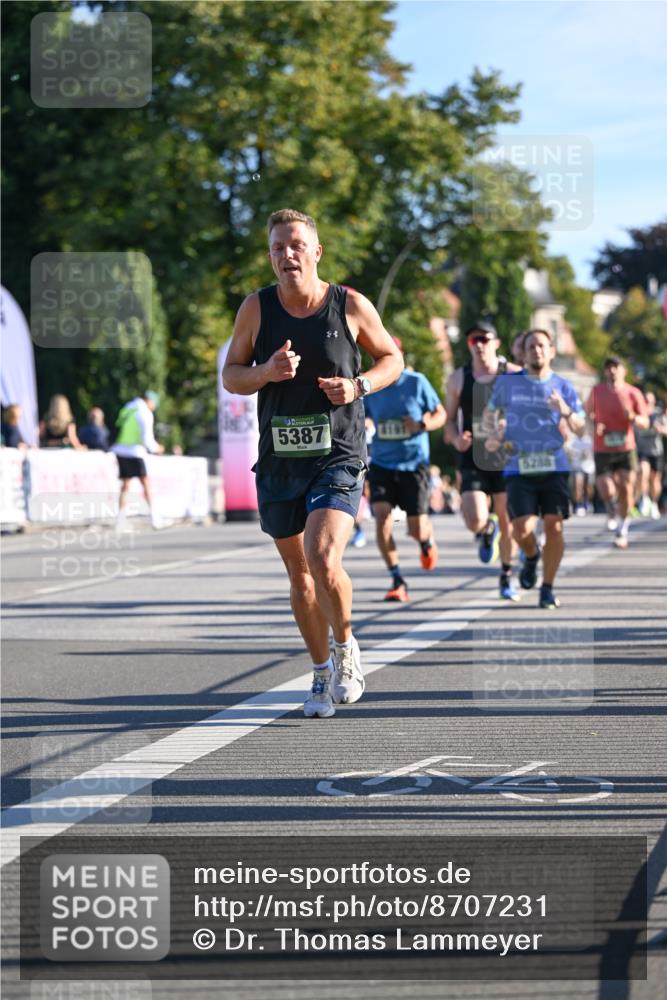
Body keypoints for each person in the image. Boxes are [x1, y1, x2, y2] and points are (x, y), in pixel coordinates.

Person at [222, 208, 403, 719]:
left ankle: (346, 650)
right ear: (270, 255)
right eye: (278, 247)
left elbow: (393, 359)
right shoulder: (256, 309)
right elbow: (231, 376)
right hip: (280, 459)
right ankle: (320, 672)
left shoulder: (349, 304)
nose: (287, 255)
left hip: (338, 453)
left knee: (323, 557)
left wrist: (358, 385)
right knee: (300, 576)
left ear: (316, 251)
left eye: (297, 245)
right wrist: (266, 372)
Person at [483, 328, 586, 610]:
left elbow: (581, 427)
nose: (536, 351)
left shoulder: (563, 386)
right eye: (531, 347)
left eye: (542, 346)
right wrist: (495, 432)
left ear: (551, 351)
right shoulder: (508, 384)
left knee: (554, 526)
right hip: (518, 466)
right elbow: (490, 415)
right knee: (521, 529)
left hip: (554, 465)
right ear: (523, 352)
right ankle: (530, 557)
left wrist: (564, 409)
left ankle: (548, 588)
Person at [363, 337, 446, 602]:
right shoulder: (371, 385)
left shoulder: (417, 382)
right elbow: (362, 414)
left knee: (415, 527)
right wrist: (364, 423)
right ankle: (397, 579)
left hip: (414, 464)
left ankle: (425, 541)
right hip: (383, 464)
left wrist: (421, 424)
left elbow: (440, 414)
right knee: (382, 517)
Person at [444, 321, 522, 601]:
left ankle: (506, 575)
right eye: (473, 340)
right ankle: (486, 530)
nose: (478, 344)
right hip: (473, 456)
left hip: (506, 457)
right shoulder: (458, 379)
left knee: (508, 518)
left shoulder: (513, 375)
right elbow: (449, 422)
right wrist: (456, 440)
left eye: (484, 339)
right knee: (475, 517)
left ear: (496, 343)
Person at [584, 358, 649, 549]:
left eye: (616, 367)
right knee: (606, 488)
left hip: (625, 447)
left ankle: (623, 527)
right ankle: (612, 508)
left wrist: (634, 418)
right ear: (605, 372)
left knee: (626, 488)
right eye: (608, 368)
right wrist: (594, 424)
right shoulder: (597, 392)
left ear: (623, 371)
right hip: (602, 446)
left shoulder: (633, 392)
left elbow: (645, 421)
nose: (612, 371)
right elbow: (586, 415)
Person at [111, 390, 165, 531]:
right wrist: (157, 448)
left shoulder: (128, 407)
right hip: (135, 451)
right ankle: (155, 518)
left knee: (126, 485)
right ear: (150, 401)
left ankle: (120, 520)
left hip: (120, 449)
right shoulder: (145, 412)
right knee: (146, 483)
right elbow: (147, 439)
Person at [635, 391, 666, 519]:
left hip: (656, 451)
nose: (647, 403)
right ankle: (645, 499)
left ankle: (654, 503)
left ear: (653, 401)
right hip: (642, 451)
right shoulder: (638, 413)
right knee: (643, 472)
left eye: (650, 400)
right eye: (645, 400)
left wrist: (660, 428)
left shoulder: (658, 414)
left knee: (655, 480)